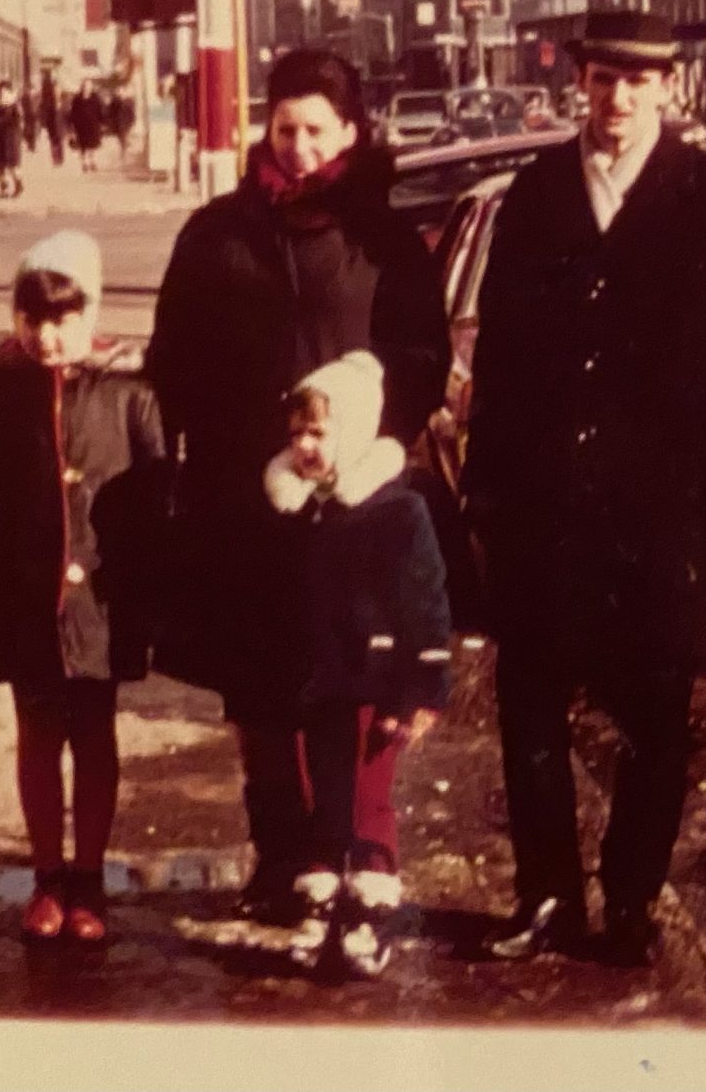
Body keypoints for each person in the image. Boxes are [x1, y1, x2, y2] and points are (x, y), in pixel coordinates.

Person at [460, 8, 706, 970]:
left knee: (654, 718)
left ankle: (631, 897)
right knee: (531, 705)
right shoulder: (538, 191)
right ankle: (547, 893)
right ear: (580, 82)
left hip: (662, 506)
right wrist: (487, 488)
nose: (619, 99)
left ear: (668, 88)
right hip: (548, 504)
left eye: (639, 82)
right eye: (604, 79)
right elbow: (505, 350)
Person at [144, 48, 450, 926]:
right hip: (249, 498)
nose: (300, 145)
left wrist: (376, 449)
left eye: (318, 129)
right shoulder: (217, 232)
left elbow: (424, 358)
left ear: (350, 131)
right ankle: (282, 853)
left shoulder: (382, 241)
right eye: (285, 127)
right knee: (263, 684)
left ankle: (367, 842)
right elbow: (175, 357)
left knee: (361, 676)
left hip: (355, 501)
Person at [0, 231, 172, 945]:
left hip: (101, 600)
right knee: (36, 733)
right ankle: (47, 875)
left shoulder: (131, 395)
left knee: (94, 733)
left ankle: (89, 876)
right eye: (32, 317)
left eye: (63, 317)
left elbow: (158, 504)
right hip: (17, 598)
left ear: (90, 314)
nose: (47, 334)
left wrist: (157, 597)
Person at [259, 351, 452, 978]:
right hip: (318, 687)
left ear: (356, 429)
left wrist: (423, 688)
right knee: (325, 799)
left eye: (319, 432)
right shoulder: (298, 509)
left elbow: (425, 601)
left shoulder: (397, 511)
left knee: (370, 800)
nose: (306, 447)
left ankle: (370, 906)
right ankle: (322, 904)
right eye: (297, 435)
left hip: (378, 685)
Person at [41, 72, 67, 169]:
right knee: (53, 143)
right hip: (52, 125)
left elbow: (66, 114)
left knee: (60, 142)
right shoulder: (49, 102)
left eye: (58, 90)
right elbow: (46, 114)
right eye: (54, 90)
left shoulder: (64, 100)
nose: (56, 91)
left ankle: (60, 158)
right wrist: (45, 125)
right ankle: (55, 159)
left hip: (61, 125)